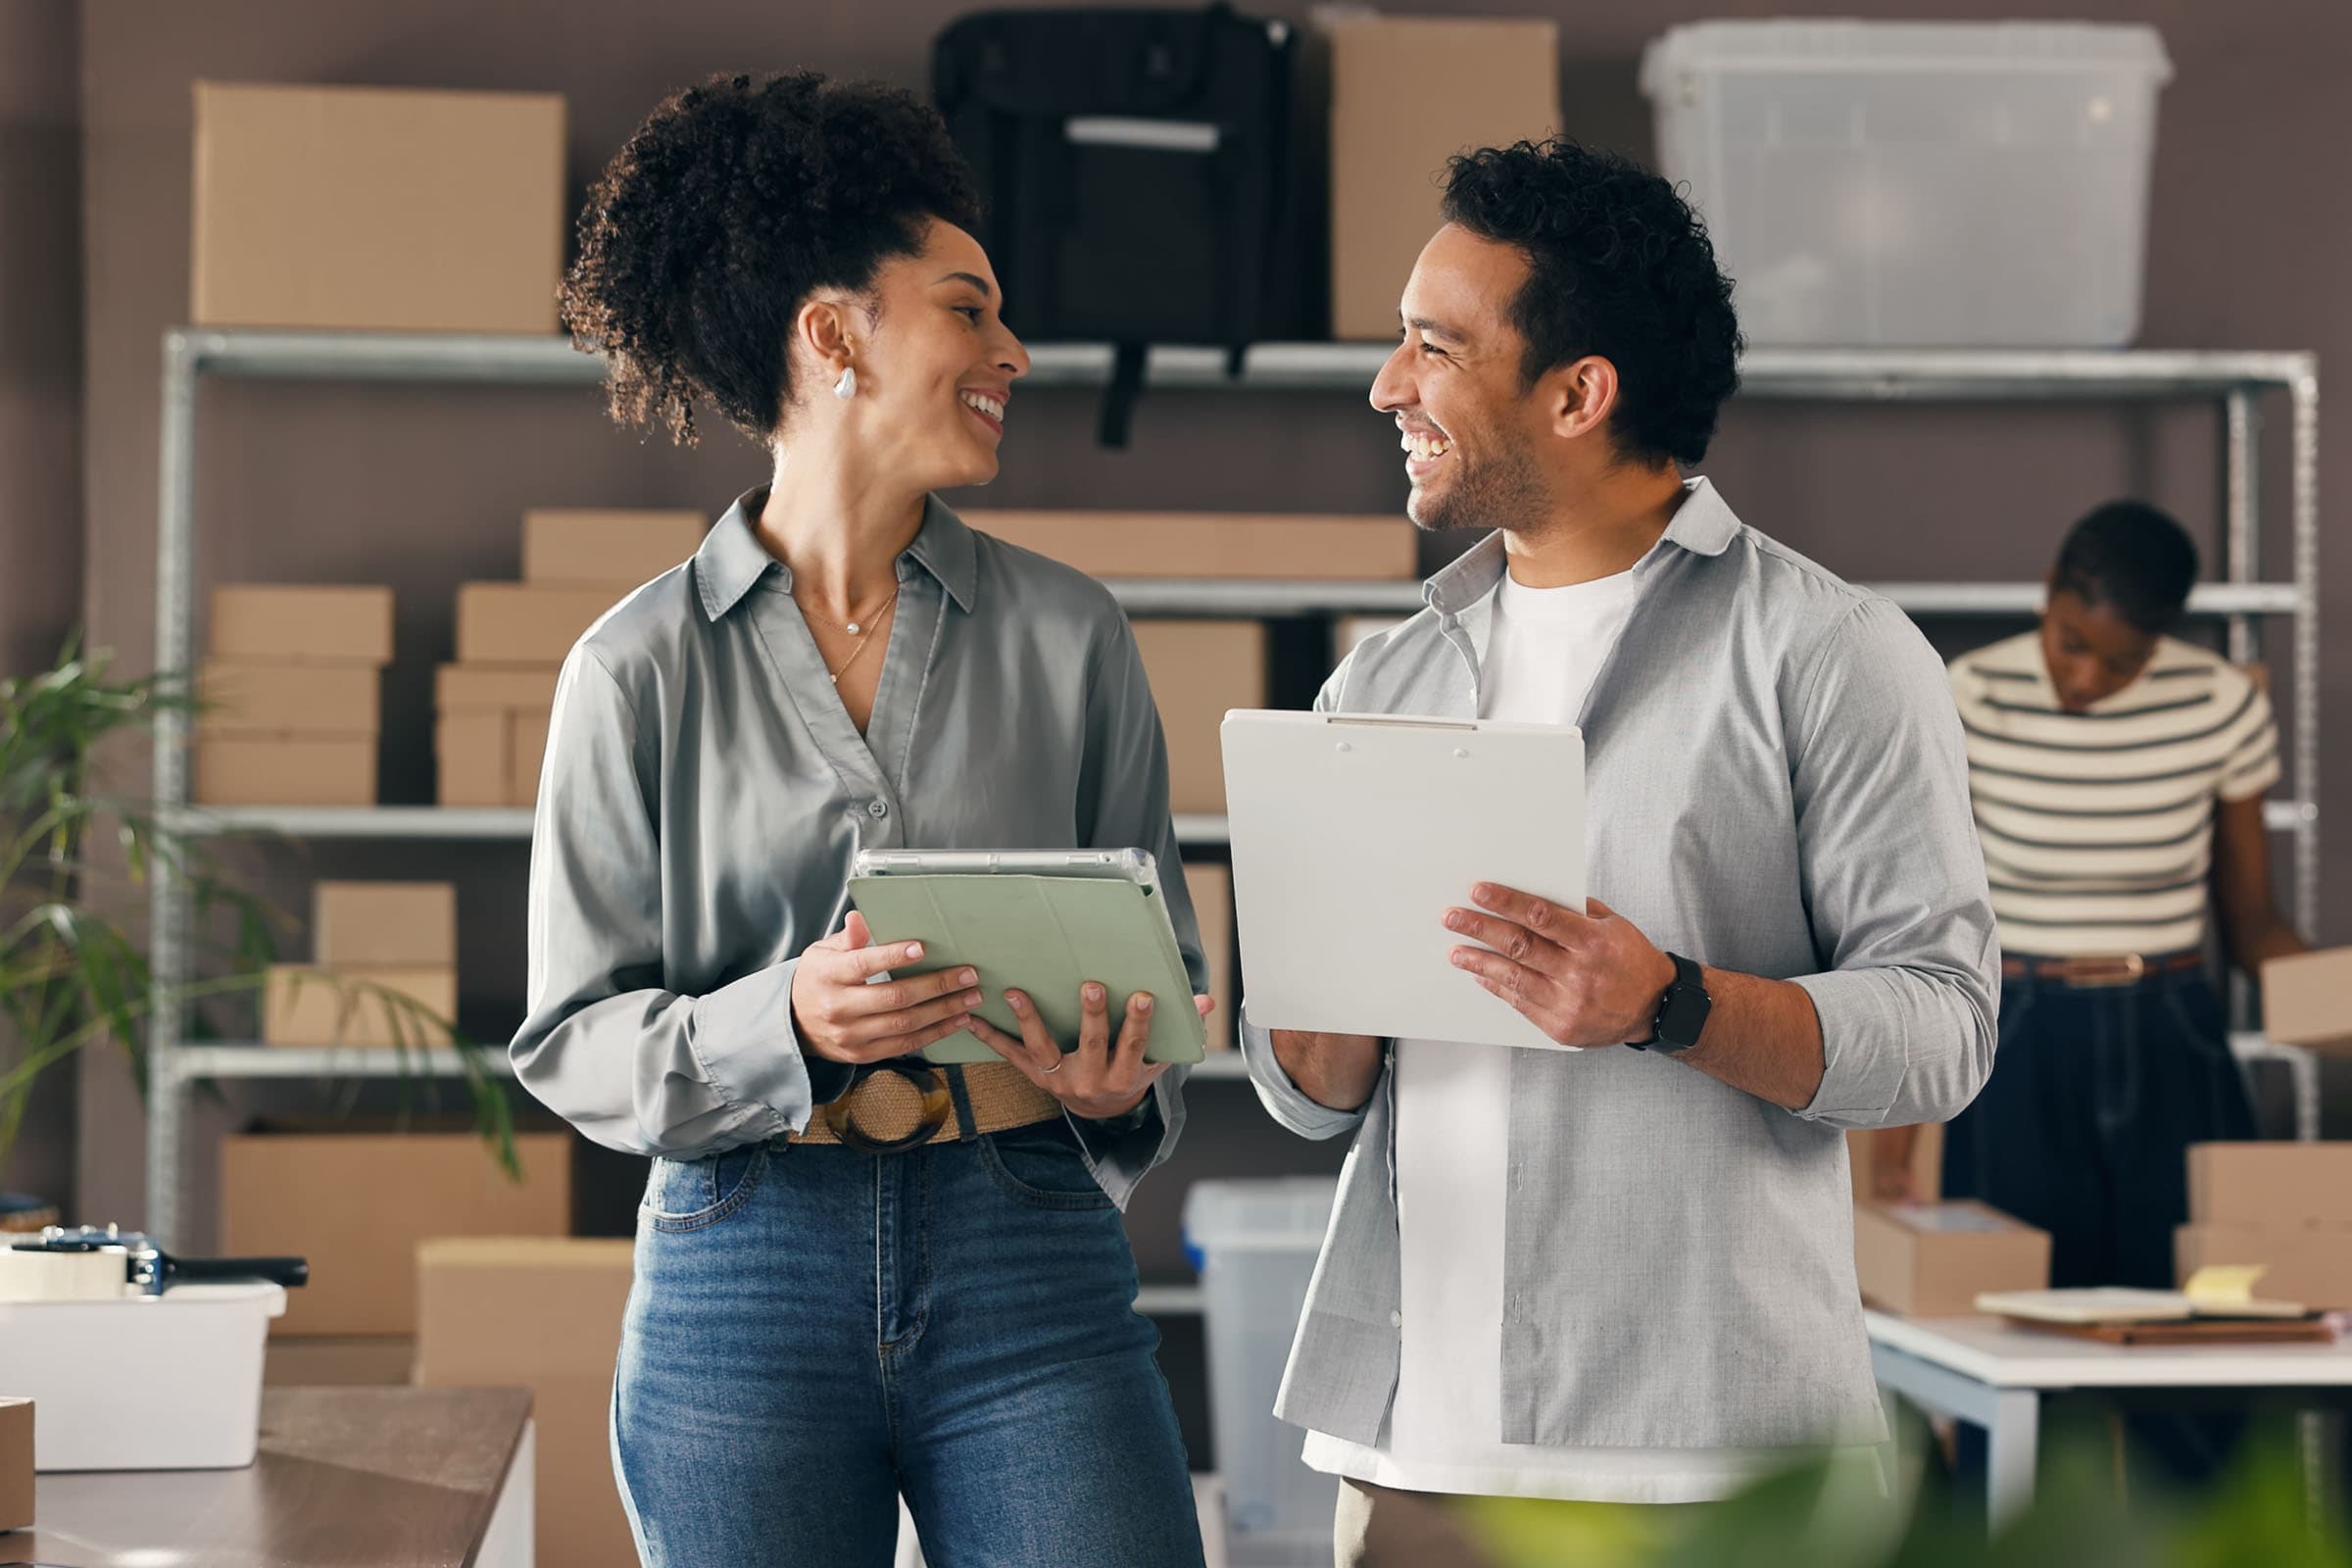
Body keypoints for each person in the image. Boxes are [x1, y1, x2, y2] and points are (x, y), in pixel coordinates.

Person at [1238, 139, 1999, 1564]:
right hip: (1412, 1453)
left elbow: (1946, 1030)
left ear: (1579, 393)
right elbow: (1309, 1101)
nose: (1386, 388)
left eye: (1432, 349)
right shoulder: (1377, 685)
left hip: (1714, 1464)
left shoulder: (1830, 655)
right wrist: (1315, 1039)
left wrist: (1669, 1006)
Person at [513, 72, 1210, 1568]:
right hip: (740, 1266)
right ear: (834, 334)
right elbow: (570, 1038)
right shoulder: (633, 669)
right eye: (968, 311)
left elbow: (1166, 981)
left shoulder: (1074, 637)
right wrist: (789, 1016)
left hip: (1027, 1245)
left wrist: (1114, 1081)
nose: (1013, 351)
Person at [1873, 501, 2305, 1481]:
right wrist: (1891, 1144)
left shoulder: (2220, 703)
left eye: (2120, 662)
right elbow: (1917, 921)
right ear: (2048, 599)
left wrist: (2328, 1002)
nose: (2086, 678)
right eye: (2072, 644)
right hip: (2018, 1036)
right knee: (2007, 1342)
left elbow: (2253, 921)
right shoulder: (1967, 695)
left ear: (2162, 641)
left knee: (2207, 1337)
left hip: (2175, 1037)